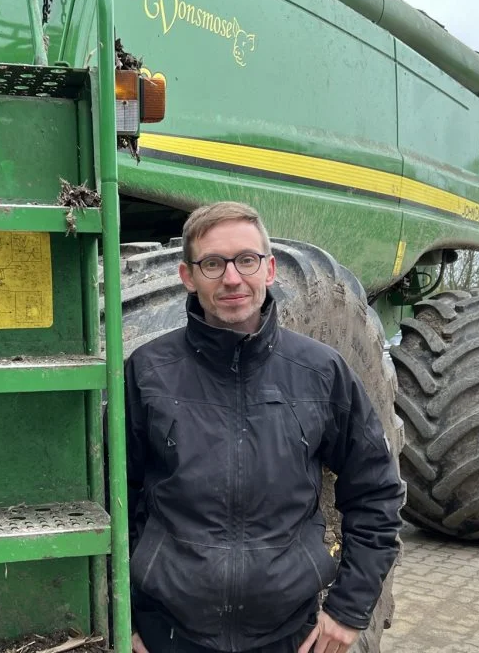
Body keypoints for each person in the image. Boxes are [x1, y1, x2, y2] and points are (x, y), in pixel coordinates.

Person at [123, 201, 405, 653]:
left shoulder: (320, 372)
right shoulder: (147, 372)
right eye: (212, 264)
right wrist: (129, 618)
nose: (232, 278)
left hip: (289, 637)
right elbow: (118, 500)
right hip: (168, 637)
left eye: (246, 260)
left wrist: (348, 610)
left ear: (270, 269)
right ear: (187, 276)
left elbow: (375, 493)